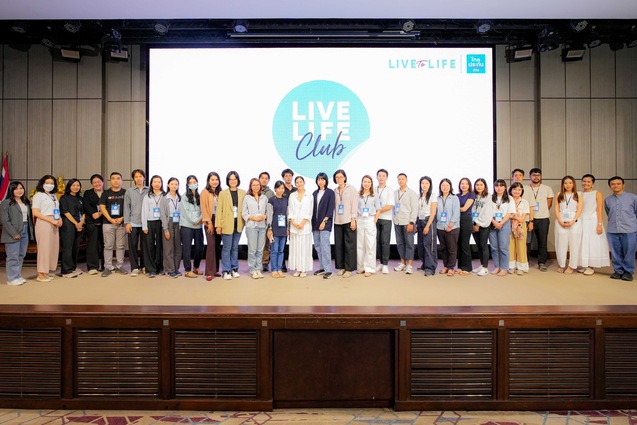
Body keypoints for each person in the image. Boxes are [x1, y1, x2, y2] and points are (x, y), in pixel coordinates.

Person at [605, 176, 637, 281]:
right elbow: (608, 213)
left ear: (623, 185)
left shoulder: (633, 198)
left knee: (629, 252)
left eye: (618, 184)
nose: (616, 186)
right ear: (610, 186)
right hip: (613, 229)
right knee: (615, 252)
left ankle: (628, 272)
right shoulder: (608, 200)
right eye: (613, 184)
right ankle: (618, 271)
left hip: (629, 229)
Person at [31, 174, 62, 282]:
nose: (50, 185)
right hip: (44, 221)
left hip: (55, 221)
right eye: (47, 183)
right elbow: (35, 212)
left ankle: (46, 272)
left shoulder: (53, 196)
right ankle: (41, 273)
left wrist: (59, 219)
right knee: (44, 248)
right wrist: (50, 220)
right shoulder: (38, 195)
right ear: (42, 184)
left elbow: (56, 209)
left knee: (52, 247)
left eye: (52, 183)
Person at [216, 171, 246, 280]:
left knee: (235, 248)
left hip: (238, 224)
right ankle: (226, 270)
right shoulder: (223, 193)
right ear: (228, 181)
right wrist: (218, 225)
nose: (233, 181)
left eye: (235, 179)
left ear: (238, 180)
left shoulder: (243, 193)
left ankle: (234, 269)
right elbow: (219, 210)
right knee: (226, 248)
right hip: (226, 224)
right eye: (231, 179)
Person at [1, 181, 33, 285]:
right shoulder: (7, 202)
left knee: (21, 255)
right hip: (12, 231)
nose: (19, 191)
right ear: (11, 190)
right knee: (12, 256)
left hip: (25, 229)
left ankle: (17, 275)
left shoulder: (25, 201)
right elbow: (4, 220)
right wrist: (13, 233)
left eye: (21, 188)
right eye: (16, 189)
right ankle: (11, 278)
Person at [578, 174, 610, 275]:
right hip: (581, 220)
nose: (586, 183)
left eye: (588, 182)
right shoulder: (579, 193)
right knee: (582, 242)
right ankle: (585, 265)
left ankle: (591, 266)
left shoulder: (597, 193)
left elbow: (599, 209)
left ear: (592, 183)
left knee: (592, 243)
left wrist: (599, 224)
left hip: (592, 221)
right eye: (584, 181)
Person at [525, 168, 554, 272]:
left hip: (543, 218)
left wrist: (541, 212)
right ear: (530, 176)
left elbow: (549, 203)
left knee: (542, 241)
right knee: (527, 242)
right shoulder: (525, 188)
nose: (536, 177)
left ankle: (542, 262)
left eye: (538, 175)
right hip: (528, 218)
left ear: (541, 176)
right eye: (534, 175)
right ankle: (525, 261)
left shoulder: (547, 188)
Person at [99, 172, 128, 277]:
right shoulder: (105, 193)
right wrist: (110, 219)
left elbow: (129, 207)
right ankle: (108, 267)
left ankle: (120, 266)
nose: (116, 180)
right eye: (113, 178)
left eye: (118, 178)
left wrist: (122, 218)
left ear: (121, 180)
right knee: (108, 245)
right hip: (108, 223)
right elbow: (102, 207)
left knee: (121, 246)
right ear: (110, 180)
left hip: (122, 223)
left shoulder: (126, 193)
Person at [554, 175, 583, 274]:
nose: (568, 185)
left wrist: (573, 221)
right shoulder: (559, 194)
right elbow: (556, 209)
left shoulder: (578, 194)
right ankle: (561, 264)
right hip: (561, 221)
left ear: (573, 184)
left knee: (574, 244)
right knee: (560, 244)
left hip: (574, 221)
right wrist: (560, 221)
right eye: (565, 183)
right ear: (563, 185)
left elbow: (579, 209)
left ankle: (571, 266)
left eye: (570, 183)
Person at [332, 169, 358, 278]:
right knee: (339, 245)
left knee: (349, 245)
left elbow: (354, 204)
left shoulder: (351, 189)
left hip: (348, 220)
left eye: (341, 177)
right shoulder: (334, 191)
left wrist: (353, 219)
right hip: (338, 221)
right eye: (337, 177)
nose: (339, 179)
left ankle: (349, 269)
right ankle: (341, 267)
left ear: (345, 178)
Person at [288, 176, 314, 277]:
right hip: (294, 226)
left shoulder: (309, 195)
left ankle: (303, 269)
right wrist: (294, 222)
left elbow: (309, 211)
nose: (299, 184)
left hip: (305, 226)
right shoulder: (292, 196)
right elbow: (290, 210)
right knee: (296, 248)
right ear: (295, 184)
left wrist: (302, 223)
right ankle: (297, 269)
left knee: (304, 248)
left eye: (301, 182)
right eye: (297, 182)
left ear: (304, 183)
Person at [242, 177, 268, 279]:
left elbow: (268, 211)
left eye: (257, 185)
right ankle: (252, 269)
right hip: (251, 227)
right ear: (250, 186)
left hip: (262, 226)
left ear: (260, 186)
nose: (256, 187)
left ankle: (258, 269)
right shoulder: (247, 198)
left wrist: (264, 216)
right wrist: (254, 218)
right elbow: (244, 213)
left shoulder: (264, 198)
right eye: (254, 185)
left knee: (260, 249)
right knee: (252, 249)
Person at [124, 169, 148, 276]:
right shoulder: (129, 191)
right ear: (133, 178)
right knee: (132, 246)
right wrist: (127, 222)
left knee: (145, 246)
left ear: (144, 177)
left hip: (145, 223)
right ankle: (134, 267)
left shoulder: (149, 190)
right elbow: (126, 207)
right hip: (133, 222)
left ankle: (144, 266)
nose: (138, 178)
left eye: (140, 176)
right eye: (136, 177)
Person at [311, 172, 335, 279]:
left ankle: (328, 270)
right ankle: (322, 267)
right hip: (315, 224)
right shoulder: (314, 193)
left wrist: (324, 221)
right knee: (317, 246)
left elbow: (330, 209)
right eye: (319, 179)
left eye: (323, 179)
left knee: (325, 246)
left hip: (325, 223)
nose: (321, 181)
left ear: (326, 181)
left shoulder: (330, 193)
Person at [59, 178, 85, 278]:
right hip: (68, 223)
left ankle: (73, 267)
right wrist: (76, 223)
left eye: (78, 185)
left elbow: (84, 212)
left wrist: (81, 223)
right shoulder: (64, 198)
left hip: (79, 224)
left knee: (75, 247)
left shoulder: (80, 198)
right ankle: (66, 271)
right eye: (73, 185)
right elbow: (65, 212)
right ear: (69, 186)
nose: (76, 187)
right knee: (68, 247)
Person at [393, 173, 418, 274]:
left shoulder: (412, 193)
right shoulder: (395, 193)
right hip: (397, 221)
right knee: (400, 244)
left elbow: (414, 209)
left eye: (403, 179)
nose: (401, 181)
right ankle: (403, 263)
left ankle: (410, 265)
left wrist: (412, 222)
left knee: (409, 244)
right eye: (399, 179)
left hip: (407, 222)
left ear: (406, 180)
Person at [489, 179, 515, 276]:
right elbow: (487, 211)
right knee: (494, 247)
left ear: (505, 187)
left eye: (501, 186)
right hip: (492, 222)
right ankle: (497, 267)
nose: (499, 188)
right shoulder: (490, 198)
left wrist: (501, 223)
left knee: (503, 247)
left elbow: (510, 212)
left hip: (504, 223)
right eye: (497, 186)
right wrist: (494, 222)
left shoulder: (509, 198)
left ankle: (504, 268)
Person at [141, 175, 165, 278]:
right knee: (149, 245)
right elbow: (144, 211)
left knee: (160, 245)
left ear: (161, 183)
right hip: (150, 222)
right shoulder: (147, 196)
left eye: (159, 182)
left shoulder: (165, 195)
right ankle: (151, 269)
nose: (157, 184)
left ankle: (160, 267)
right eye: (155, 182)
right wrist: (144, 226)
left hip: (161, 222)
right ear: (151, 183)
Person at [180, 175, 204, 278]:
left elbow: (203, 210)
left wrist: (199, 220)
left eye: (194, 182)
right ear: (187, 184)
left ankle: (196, 267)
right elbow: (186, 212)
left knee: (199, 247)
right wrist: (195, 221)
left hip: (198, 226)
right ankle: (188, 270)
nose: (193, 184)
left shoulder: (200, 196)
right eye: (190, 182)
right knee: (187, 248)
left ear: (197, 183)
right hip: (187, 225)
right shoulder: (184, 196)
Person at [436, 178, 461, 276]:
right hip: (440, 226)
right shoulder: (437, 199)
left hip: (452, 227)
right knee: (443, 248)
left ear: (450, 187)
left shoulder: (454, 198)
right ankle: (445, 266)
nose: (445, 187)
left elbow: (456, 212)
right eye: (443, 185)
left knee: (452, 248)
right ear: (440, 187)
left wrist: (450, 225)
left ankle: (451, 267)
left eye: (447, 185)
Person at [356, 175, 379, 276]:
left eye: (368, 182)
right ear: (362, 183)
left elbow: (378, 209)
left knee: (370, 244)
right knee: (360, 245)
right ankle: (361, 267)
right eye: (364, 181)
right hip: (360, 219)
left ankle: (369, 268)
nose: (366, 184)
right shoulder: (358, 195)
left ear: (371, 183)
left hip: (370, 219)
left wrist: (375, 220)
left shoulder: (375, 195)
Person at [201, 172, 221, 280]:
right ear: (208, 181)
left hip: (219, 220)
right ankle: (209, 272)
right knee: (211, 245)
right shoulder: (204, 192)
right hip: (209, 220)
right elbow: (204, 208)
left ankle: (215, 270)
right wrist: (209, 223)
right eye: (212, 179)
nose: (215, 181)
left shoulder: (220, 192)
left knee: (217, 245)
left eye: (216, 179)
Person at [161, 177, 182, 278]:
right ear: (168, 185)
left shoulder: (180, 198)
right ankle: (170, 270)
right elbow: (163, 215)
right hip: (169, 222)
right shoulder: (165, 198)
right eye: (172, 184)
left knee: (178, 247)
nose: (174, 186)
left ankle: (176, 268)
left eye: (176, 184)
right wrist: (165, 229)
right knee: (168, 248)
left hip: (178, 223)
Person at [83, 174, 105, 275]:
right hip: (92, 222)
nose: (97, 184)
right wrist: (94, 214)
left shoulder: (106, 193)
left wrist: (100, 213)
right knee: (92, 244)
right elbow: (87, 206)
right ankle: (92, 266)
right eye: (94, 182)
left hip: (105, 221)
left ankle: (105, 265)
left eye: (98, 182)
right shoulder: (88, 193)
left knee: (105, 244)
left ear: (102, 182)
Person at [416, 176, 437, 276]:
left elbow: (433, 212)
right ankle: (424, 264)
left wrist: (428, 225)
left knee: (429, 245)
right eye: (422, 183)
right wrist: (416, 223)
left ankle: (430, 268)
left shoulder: (432, 196)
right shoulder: (418, 196)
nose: (424, 185)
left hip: (428, 221)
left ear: (430, 185)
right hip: (419, 221)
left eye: (426, 183)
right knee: (421, 245)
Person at [375, 169, 395, 274]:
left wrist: (377, 211)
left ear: (386, 178)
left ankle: (386, 264)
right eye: (379, 175)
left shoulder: (389, 190)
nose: (381, 177)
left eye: (383, 176)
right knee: (378, 242)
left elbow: (389, 206)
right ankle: (381, 263)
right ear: (377, 177)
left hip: (386, 219)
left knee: (385, 242)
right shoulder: (373, 189)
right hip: (375, 219)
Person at [267, 181, 288, 278]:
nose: (281, 190)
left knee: (281, 251)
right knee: (274, 250)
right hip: (274, 228)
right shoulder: (271, 200)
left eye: (282, 188)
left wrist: (288, 228)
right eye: (279, 188)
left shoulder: (286, 200)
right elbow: (269, 214)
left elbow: (287, 214)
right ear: (275, 189)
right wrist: (269, 227)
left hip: (283, 228)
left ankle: (279, 269)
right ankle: (274, 269)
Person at [508, 182, 530, 275]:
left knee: (521, 246)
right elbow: (506, 215)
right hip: (509, 225)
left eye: (519, 190)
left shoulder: (525, 202)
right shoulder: (507, 201)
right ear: (511, 190)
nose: (517, 191)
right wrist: (514, 217)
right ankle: (511, 266)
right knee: (510, 246)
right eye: (515, 189)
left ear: (522, 191)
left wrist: (514, 217)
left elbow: (522, 218)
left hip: (520, 226)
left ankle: (521, 267)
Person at [472, 178, 492, 276]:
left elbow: (485, 211)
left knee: (483, 245)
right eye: (477, 185)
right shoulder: (473, 196)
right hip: (474, 223)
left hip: (483, 224)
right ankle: (481, 264)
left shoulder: (488, 197)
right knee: (478, 246)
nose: (479, 187)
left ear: (485, 186)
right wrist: (473, 223)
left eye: (481, 185)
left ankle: (485, 268)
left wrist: (478, 224)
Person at [456, 177, 475, 275]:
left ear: (469, 185)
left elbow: (464, 209)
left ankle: (467, 268)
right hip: (457, 220)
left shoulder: (471, 195)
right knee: (459, 244)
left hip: (466, 220)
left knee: (465, 244)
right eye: (462, 183)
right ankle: (460, 266)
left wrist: (454, 208)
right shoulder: (457, 195)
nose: (464, 185)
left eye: (466, 184)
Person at [259, 171, 275, 273]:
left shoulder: (271, 193)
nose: (264, 180)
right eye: (262, 178)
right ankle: (256, 263)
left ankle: (265, 263)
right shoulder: (252, 190)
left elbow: (271, 208)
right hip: (255, 222)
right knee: (256, 244)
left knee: (266, 244)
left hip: (266, 222)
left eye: (266, 178)